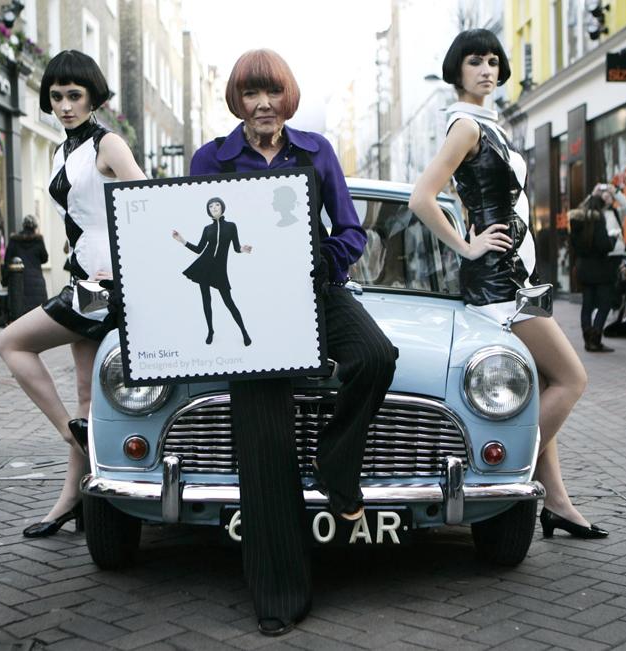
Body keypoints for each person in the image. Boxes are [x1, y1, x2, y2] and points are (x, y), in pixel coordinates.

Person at [189, 49, 397, 637]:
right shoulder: (211, 159)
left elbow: (351, 230)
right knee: (263, 438)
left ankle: (336, 465)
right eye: (251, 94)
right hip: (248, 310)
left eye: (272, 93)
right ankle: (278, 595)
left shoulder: (316, 151)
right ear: (237, 101)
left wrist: (319, 262)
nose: (262, 104)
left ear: (287, 98)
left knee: (376, 357)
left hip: (315, 291)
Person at [408, 29, 607, 543]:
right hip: (501, 281)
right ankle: (496, 463)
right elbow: (422, 198)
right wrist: (467, 245)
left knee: (541, 382)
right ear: (458, 70)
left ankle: (557, 503)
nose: (488, 69)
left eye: (494, 61)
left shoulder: (487, 123)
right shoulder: (464, 125)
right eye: (476, 61)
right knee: (571, 378)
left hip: (519, 276)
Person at [0, 50, 146, 538]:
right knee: (86, 395)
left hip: (106, 285)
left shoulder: (109, 143)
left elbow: (149, 203)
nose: (64, 105)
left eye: (74, 96)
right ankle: (71, 499)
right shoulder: (63, 151)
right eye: (56, 96)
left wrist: (121, 261)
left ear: (93, 97)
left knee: (11, 342)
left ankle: (71, 433)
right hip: (84, 279)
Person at [172, 197, 253, 346]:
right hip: (204, 266)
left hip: (220, 270)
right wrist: (182, 240)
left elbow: (236, 247)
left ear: (222, 207)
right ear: (208, 210)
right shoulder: (207, 229)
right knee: (206, 300)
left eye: (217, 205)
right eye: (211, 206)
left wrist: (243, 249)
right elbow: (199, 249)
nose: (214, 208)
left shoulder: (231, 226)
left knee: (229, 302)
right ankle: (210, 330)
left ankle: (244, 332)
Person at [569, 191, 617, 352]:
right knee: (605, 304)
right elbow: (605, 246)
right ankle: (595, 339)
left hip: (583, 267)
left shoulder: (576, 221)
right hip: (600, 269)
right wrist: (613, 239)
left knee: (587, 304)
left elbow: (573, 246)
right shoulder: (598, 220)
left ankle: (587, 338)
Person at [3, 215, 49, 316]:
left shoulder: (14, 240)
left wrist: (5, 281)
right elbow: (45, 258)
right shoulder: (38, 240)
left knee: (20, 315)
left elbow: (7, 261)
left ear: (23, 226)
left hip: (19, 282)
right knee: (37, 315)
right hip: (37, 282)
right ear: (35, 227)